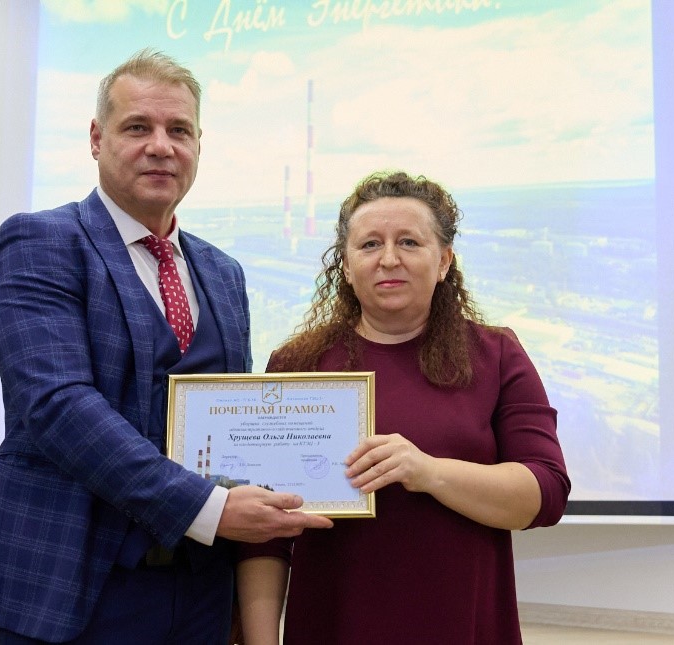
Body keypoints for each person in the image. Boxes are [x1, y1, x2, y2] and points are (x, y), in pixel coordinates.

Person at [0, 49, 332, 645]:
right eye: (137, 127)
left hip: (201, 589)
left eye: (179, 130)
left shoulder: (223, 273)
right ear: (97, 139)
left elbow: (235, 425)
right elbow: (57, 406)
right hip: (74, 587)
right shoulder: (40, 242)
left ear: (199, 145)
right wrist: (207, 509)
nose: (161, 146)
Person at [236, 170, 570, 644]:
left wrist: (428, 472)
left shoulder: (496, 355)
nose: (389, 258)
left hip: (464, 627)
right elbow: (266, 534)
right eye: (370, 244)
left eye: (409, 242)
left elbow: (546, 493)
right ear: (346, 265)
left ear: (444, 260)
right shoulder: (297, 364)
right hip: (333, 628)